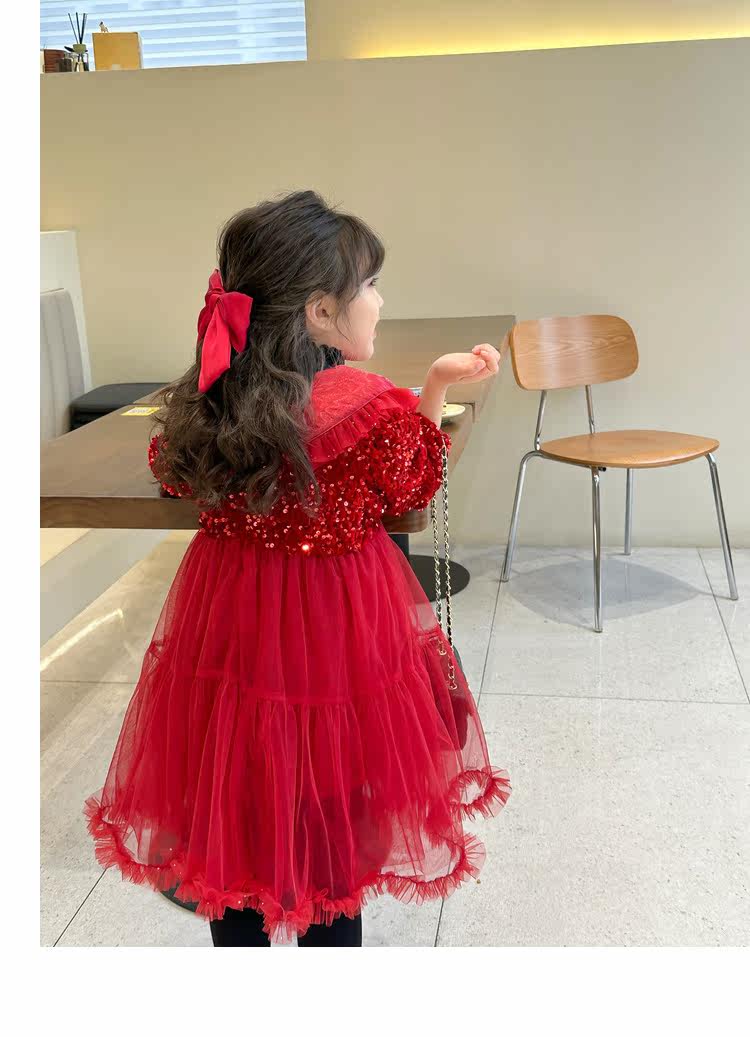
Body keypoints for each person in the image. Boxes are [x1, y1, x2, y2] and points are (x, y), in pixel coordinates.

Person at [84, 189, 511, 947]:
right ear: (319, 312)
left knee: (237, 801)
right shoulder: (368, 407)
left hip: (229, 625)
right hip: (335, 630)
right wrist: (438, 388)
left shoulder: (214, 400)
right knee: (330, 811)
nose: (379, 300)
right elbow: (414, 483)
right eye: (370, 285)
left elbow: (172, 471)